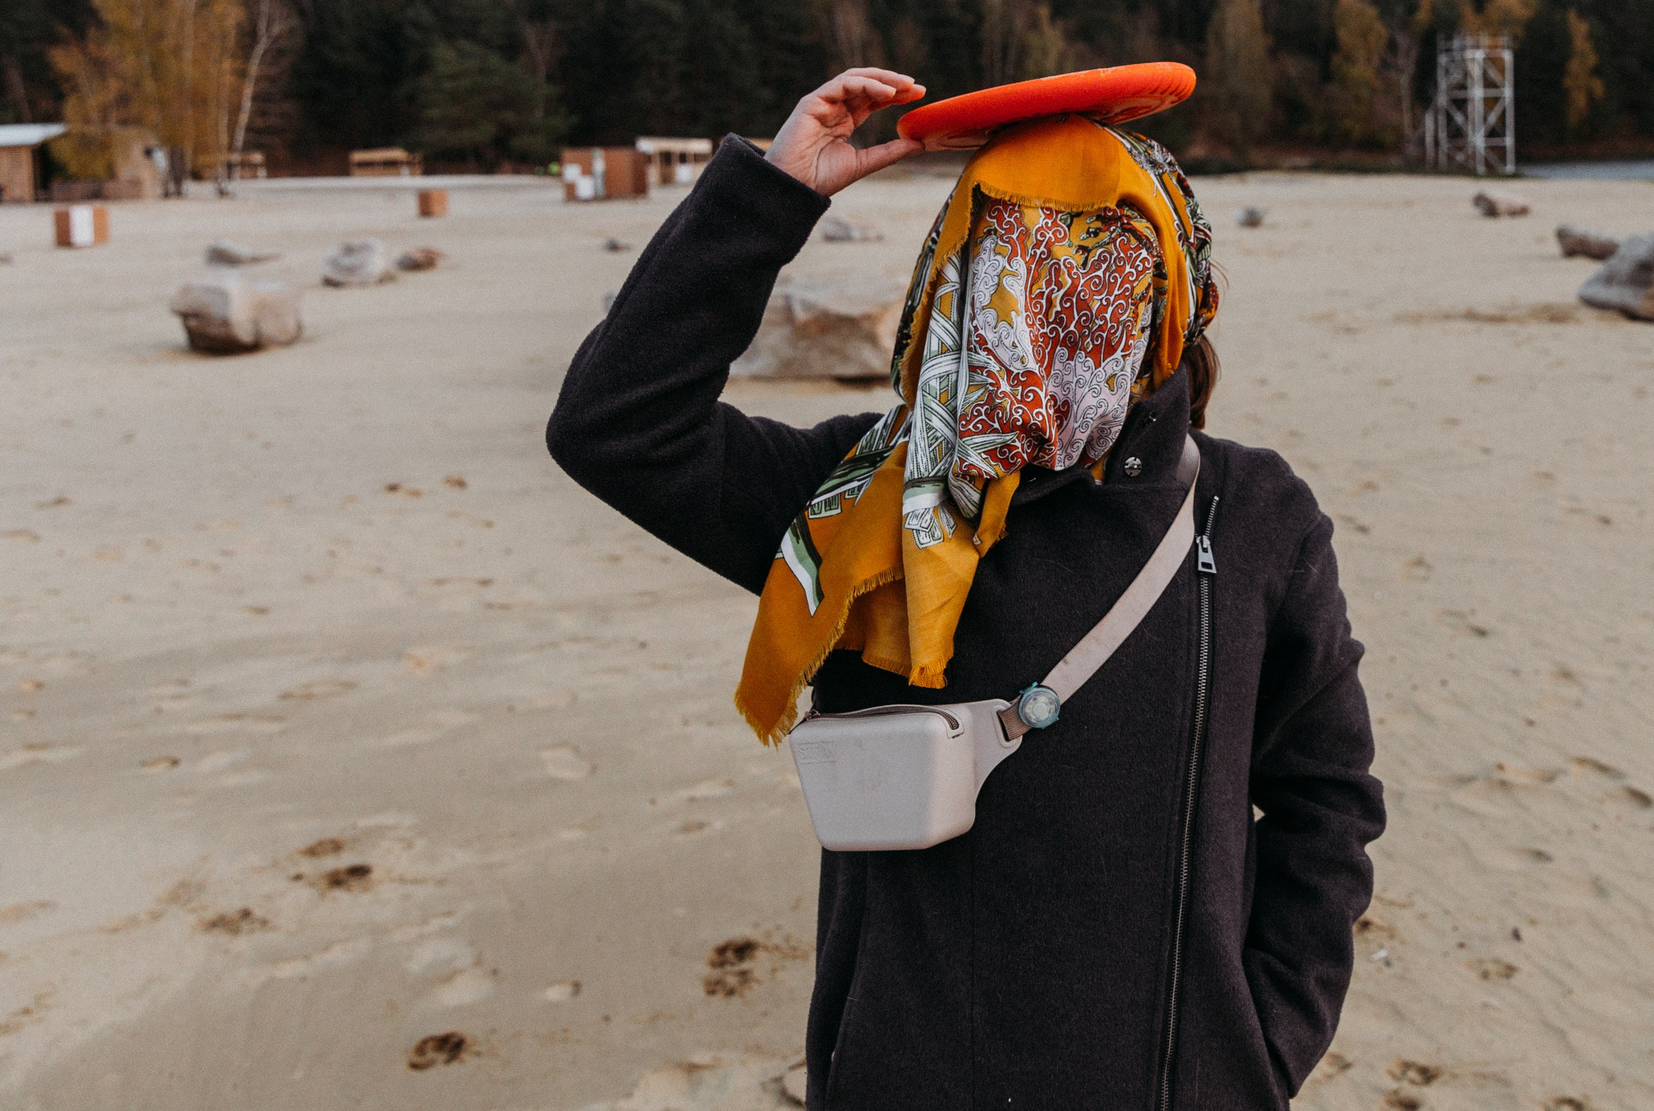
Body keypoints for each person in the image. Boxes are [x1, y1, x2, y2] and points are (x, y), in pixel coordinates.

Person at [546, 68, 1385, 1111]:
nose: (1042, 311)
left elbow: (1326, 801)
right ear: (953, 281)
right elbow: (614, 427)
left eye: (1094, 263)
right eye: (1007, 261)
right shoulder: (863, 503)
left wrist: (1259, 1046)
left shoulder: (1251, 514)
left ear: (1167, 289)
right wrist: (774, 192)